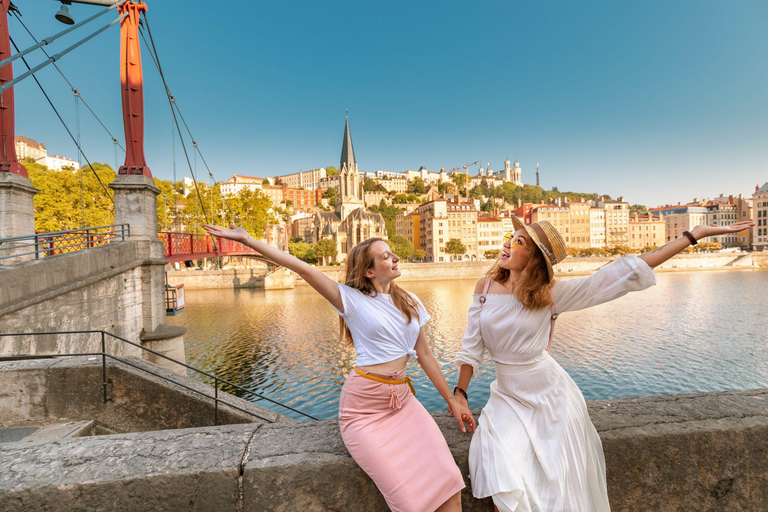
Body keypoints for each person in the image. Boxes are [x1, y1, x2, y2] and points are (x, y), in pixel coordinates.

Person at [452, 218, 754, 512]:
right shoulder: (485, 288)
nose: (506, 244)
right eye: (510, 237)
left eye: (519, 242)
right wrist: (460, 394)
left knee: (557, 490)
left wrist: (693, 234)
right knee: (498, 469)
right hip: (506, 398)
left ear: (534, 259)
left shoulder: (551, 295)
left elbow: (622, 272)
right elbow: (471, 347)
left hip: (552, 399)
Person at [203, 224, 474, 512]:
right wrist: (248, 239)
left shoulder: (411, 301)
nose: (394, 258)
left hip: (404, 405)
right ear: (369, 271)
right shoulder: (350, 299)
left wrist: (453, 401)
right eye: (385, 256)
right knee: (409, 503)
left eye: (392, 253)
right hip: (364, 412)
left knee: (449, 484)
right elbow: (301, 268)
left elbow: (425, 354)